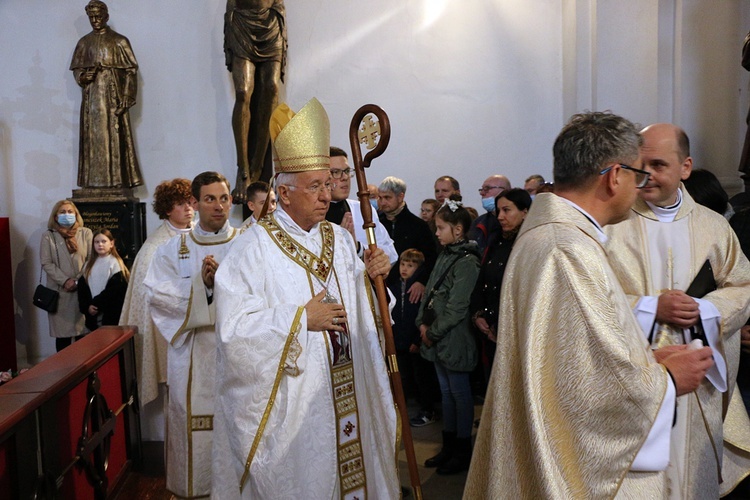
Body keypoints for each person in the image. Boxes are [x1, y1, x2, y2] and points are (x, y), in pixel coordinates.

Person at [465, 111, 715, 498]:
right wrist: (666, 381)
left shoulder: (551, 237)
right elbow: (586, 391)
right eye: (638, 175)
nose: (640, 187)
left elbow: (571, 362)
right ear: (615, 176)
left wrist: (650, 361)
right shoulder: (567, 250)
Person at [211, 98, 399, 498]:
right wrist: (299, 320)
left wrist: (373, 278)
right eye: (315, 186)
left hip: (348, 389)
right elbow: (232, 333)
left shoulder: (340, 241)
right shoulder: (251, 249)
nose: (326, 196)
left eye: (327, 185)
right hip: (296, 410)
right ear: (284, 192)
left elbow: (362, 308)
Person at [606, 123, 750, 498]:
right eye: (639, 164)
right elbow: (587, 299)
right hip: (636, 383)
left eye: (658, 164)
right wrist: (650, 307)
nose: (646, 174)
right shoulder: (612, 225)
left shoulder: (714, 227)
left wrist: (703, 309)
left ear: (685, 167)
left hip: (697, 387)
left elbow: (744, 286)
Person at [145, 172, 239, 498]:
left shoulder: (247, 244)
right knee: (194, 427)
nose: (218, 206)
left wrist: (218, 286)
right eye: (210, 199)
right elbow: (158, 296)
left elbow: (263, 297)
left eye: (224, 198)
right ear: (195, 203)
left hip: (238, 356)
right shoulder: (172, 249)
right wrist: (202, 286)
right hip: (191, 356)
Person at [119, 178, 194, 441]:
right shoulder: (154, 248)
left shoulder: (203, 236)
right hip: (169, 332)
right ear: (166, 209)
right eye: (180, 204)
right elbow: (148, 297)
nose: (188, 209)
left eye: (190, 202)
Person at [416, 196, 480, 475]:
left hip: (454, 338)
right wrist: (421, 323)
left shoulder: (467, 262)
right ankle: (449, 446)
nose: (437, 232)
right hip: (436, 337)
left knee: (460, 395)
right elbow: (430, 291)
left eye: (441, 227)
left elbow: (457, 307)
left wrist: (433, 331)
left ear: (458, 230)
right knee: (446, 393)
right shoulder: (445, 254)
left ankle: (462, 449)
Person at [70, 0, 142, 189]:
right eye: (91, 17)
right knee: (93, 139)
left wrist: (127, 96)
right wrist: (85, 76)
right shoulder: (84, 42)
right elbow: (77, 71)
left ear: (106, 17)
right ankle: (92, 182)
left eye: (98, 17)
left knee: (115, 138)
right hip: (92, 101)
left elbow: (130, 71)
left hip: (113, 99)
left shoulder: (119, 41)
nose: (95, 21)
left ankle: (118, 181)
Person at [224, 0, 287, 202]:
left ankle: (257, 167)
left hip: (271, 21)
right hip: (242, 20)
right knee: (243, 91)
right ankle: (243, 171)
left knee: (272, 88)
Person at [470, 188, 531, 381]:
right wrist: (478, 313)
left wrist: (500, 324)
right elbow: (482, 280)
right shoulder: (496, 241)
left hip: (513, 329)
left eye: (507, 210)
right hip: (489, 327)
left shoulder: (528, 244)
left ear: (525, 212)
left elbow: (523, 290)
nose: (501, 216)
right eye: (499, 211)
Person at [325, 146, 397, 263]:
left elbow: (391, 253)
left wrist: (358, 248)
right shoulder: (312, 213)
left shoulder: (362, 210)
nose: (345, 178)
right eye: (336, 172)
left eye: (347, 171)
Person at [41, 200, 93, 352]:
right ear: (56, 217)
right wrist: (65, 281)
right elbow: (46, 263)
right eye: (63, 212)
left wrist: (77, 281)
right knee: (63, 340)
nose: (67, 215)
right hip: (61, 293)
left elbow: (91, 259)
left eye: (70, 212)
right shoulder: (49, 236)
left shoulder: (86, 233)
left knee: (82, 338)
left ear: (76, 215)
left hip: (81, 292)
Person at [378, 176, 438, 303]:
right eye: (380, 197)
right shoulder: (376, 223)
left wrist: (421, 281)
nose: (382, 202)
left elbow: (431, 257)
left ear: (400, 197)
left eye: (387, 197)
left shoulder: (418, 226)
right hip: (380, 285)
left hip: (409, 290)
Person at [78, 229, 129, 332]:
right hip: (92, 312)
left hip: (109, 313)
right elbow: (82, 289)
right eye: (97, 242)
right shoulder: (88, 265)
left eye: (103, 241)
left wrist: (97, 304)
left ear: (111, 243)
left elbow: (115, 290)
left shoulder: (115, 263)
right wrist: (87, 306)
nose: (100, 245)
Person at [468, 174, 511, 258]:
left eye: (487, 189)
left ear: (504, 190)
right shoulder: (478, 223)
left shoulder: (514, 223)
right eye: (482, 189)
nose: (482, 193)